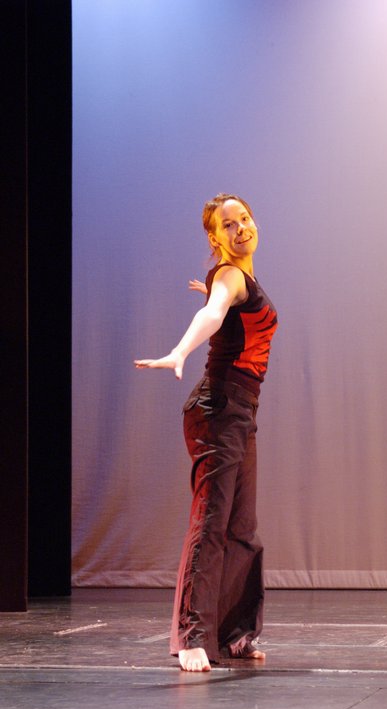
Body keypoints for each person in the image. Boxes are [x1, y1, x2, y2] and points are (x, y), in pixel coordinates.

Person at [135, 194, 277, 671]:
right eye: (228, 225)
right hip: (217, 410)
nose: (241, 228)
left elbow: (224, 310)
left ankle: (233, 634)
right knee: (212, 523)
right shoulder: (231, 276)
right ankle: (194, 635)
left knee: (242, 529)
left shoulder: (240, 279)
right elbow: (214, 314)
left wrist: (215, 295)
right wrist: (180, 351)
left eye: (245, 218)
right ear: (215, 238)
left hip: (240, 411)